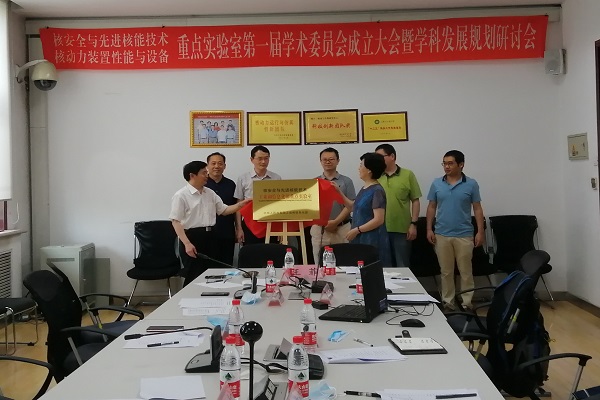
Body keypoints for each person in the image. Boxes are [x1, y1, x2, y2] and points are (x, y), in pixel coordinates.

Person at [170, 161, 250, 286]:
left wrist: (240, 205)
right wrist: (187, 244)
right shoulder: (181, 195)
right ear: (192, 175)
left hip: (211, 236)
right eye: (203, 173)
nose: (207, 175)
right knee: (193, 274)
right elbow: (176, 221)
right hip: (192, 238)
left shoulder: (210, 193)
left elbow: (224, 210)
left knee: (212, 274)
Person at [426, 150, 484, 312]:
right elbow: (431, 206)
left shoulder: (471, 184)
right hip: (441, 234)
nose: (446, 167)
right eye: (444, 163)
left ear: (461, 165)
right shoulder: (437, 183)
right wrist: (429, 228)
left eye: (450, 163)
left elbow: (477, 208)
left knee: (466, 271)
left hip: (464, 234)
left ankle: (467, 303)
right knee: (446, 272)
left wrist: (480, 231)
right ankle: (448, 302)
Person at [334, 152, 392, 266]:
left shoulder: (377, 190)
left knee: (370, 267)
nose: (359, 168)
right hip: (359, 236)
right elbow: (352, 207)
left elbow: (378, 219)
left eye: (361, 165)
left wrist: (357, 230)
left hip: (371, 238)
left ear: (369, 170)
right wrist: (338, 192)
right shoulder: (365, 188)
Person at [375, 144, 422, 267]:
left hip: (402, 229)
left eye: (380, 156)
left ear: (392, 156)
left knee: (402, 265)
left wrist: (413, 224)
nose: (377, 160)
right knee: (383, 266)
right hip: (380, 229)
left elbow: (415, 200)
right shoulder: (376, 176)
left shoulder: (407, 174)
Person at [310, 147, 356, 264]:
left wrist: (335, 222)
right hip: (320, 229)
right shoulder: (314, 182)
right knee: (319, 264)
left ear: (338, 161)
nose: (328, 162)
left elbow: (350, 205)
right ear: (320, 161)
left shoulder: (347, 181)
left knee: (345, 263)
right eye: (324, 159)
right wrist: (325, 223)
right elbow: (311, 207)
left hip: (342, 228)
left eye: (331, 159)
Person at [234, 145, 282, 244]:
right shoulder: (243, 178)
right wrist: (239, 228)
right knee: (251, 251)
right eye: (260, 158)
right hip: (250, 223)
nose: (263, 162)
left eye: (266, 158)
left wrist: (280, 228)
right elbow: (238, 206)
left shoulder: (276, 178)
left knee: (271, 251)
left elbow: (280, 205)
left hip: (271, 223)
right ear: (252, 160)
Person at [205, 152, 237, 266]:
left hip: (227, 231)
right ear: (207, 166)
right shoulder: (202, 184)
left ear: (224, 166)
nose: (216, 166)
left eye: (220, 163)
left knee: (226, 264)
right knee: (207, 265)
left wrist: (238, 229)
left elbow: (235, 209)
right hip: (207, 234)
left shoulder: (231, 184)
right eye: (213, 163)